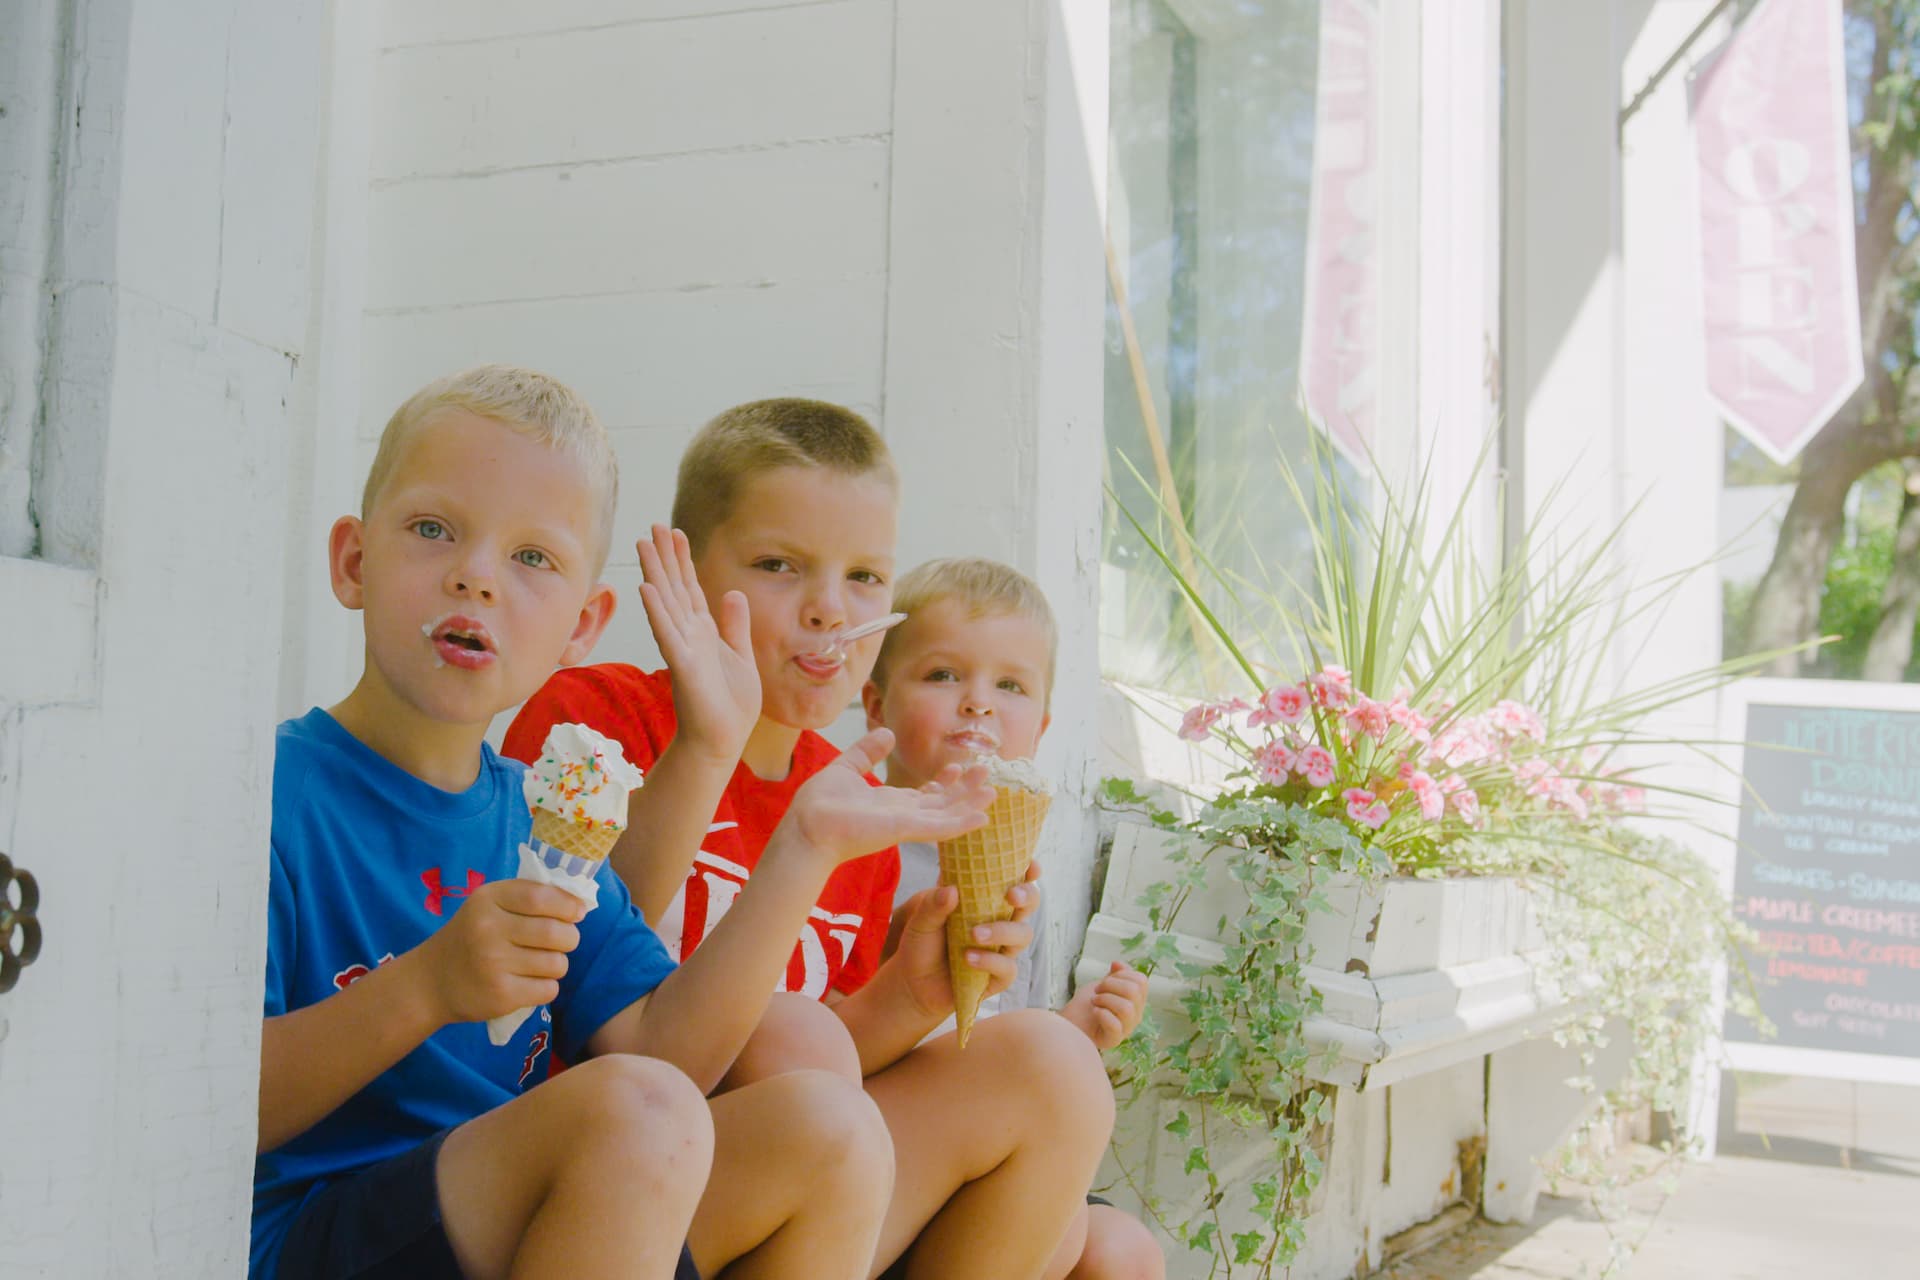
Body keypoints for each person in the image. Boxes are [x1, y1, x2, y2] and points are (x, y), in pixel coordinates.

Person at [257, 368, 995, 1280]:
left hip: (520, 1223)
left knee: (832, 1131)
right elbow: (210, 1101)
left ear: (582, 624)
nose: (476, 576)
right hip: (317, 1234)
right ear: (353, 563)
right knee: (637, 1111)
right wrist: (428, 987)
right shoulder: (269, 795)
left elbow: (665, 1049)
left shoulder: (544, 812)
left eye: (534, 559)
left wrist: (803, 840)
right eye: (433, 529)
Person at [505, 398, 1115, 1280]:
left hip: (798, 1172)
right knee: (795, 1040)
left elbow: (838, 1051)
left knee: (1052, 1071)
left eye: (866, 577)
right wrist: (709, 745)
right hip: (614, 1174)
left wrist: (911, 995)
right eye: (780, 566)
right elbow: (587, 970)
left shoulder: (853, 797)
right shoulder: (597, 719)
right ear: (688, 569)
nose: (831, 610)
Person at [863, 556, 1164, 1280]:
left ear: (1043, 725)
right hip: (882, 1154)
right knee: (1063, 1242)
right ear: (874, 705)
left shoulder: (1020, 883)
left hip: (987, 1157)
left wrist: (1073, 1029)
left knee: (1125, 1252)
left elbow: (1007, 1045)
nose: (978, 703)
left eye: (1010, 685)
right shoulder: (854, 849)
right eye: (942, 675)